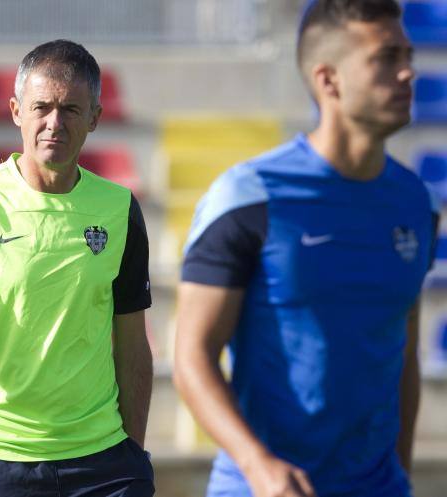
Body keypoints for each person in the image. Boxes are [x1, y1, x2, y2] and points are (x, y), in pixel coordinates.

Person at [173, 1, 437, 496]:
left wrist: (398, 475)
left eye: (408, 54)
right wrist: (259, 466)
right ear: (328, 80)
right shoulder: (248, 196)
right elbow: (192, 357)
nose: (407, 73)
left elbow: (403, 350)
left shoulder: (415, 201)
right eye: (385, 58)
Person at [0, 39, 154, 496]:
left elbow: (132, 342)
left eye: (70, 109)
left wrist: (132, 448)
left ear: (95, 118)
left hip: (102, 461)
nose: (54, 123)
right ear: (15, 111)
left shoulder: (119, 208)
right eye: (41, 107)